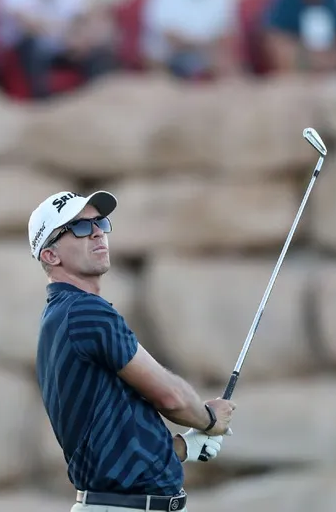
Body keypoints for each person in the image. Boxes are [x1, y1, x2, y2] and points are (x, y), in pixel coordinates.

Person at [29, 190, 236, 512]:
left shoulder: (61, 314)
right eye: (80, 227)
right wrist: (209, 419)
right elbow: (171, 398)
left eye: (100, 223)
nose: (97, 232)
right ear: (50, 256)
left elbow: (109, 437)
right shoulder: (86, 313)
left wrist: (181, 447)